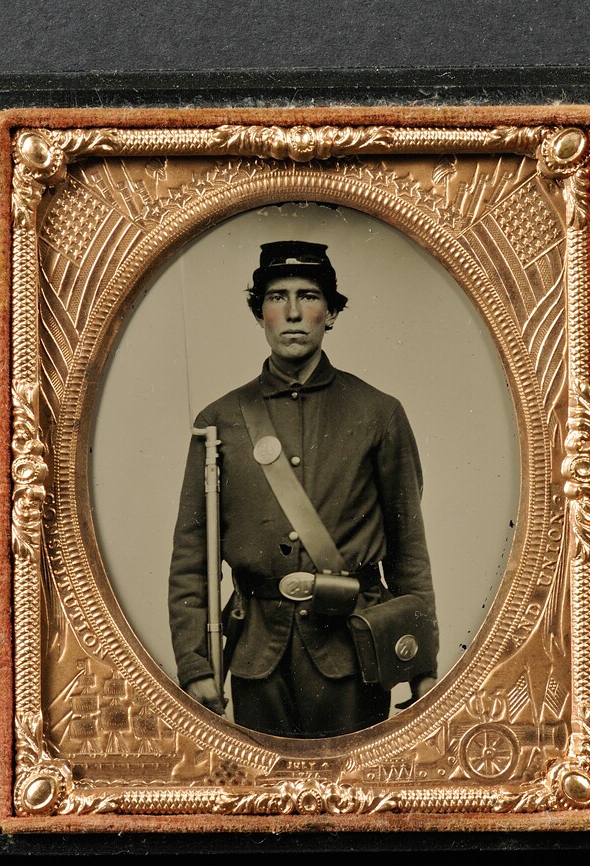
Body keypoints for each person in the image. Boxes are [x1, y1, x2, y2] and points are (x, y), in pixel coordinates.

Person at [169, 240, 437, 737]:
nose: (293, 312)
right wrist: (197, 665)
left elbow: (409, 553)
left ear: (331, 312)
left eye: (309, 296)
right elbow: (192, 555)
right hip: (255, 659)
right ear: (260, 313)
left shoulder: (379, 414)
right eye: (276, 297)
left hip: (354, 653)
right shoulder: (219, 421)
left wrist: (420, 667)